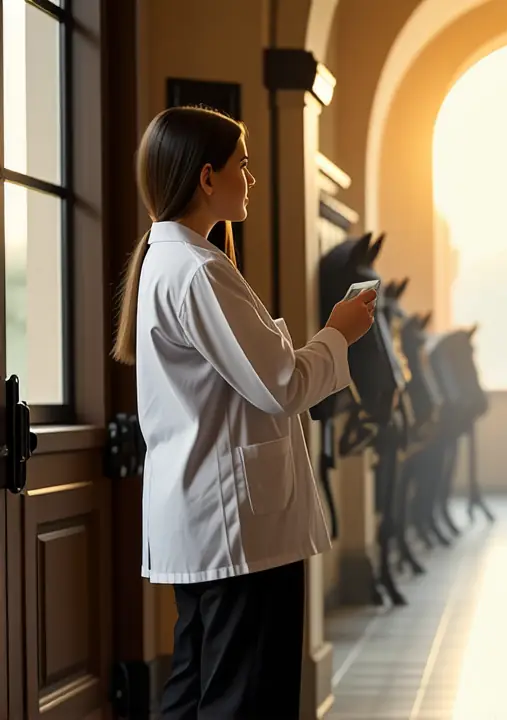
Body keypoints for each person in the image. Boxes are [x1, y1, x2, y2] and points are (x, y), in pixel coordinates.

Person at [111, 105, 377, 719]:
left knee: (195, 687)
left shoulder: (170, 260)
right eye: (243, 166)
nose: (251, 180)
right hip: (236, 527)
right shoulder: (201, 270)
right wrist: (338, 333)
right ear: (207, 179)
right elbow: (280, 385)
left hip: (206, 515)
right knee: (244, 700)